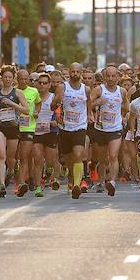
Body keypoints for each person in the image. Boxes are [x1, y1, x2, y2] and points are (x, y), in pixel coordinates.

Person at [53, 63, 91, 199]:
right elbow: (53, 106)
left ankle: (77, 185)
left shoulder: (86, 89)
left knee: (78, 154)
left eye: (77, 72)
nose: (75, 74)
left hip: (80, 126)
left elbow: (89, 106)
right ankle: (71, 174)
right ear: (69, 72)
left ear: (81, 72)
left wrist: (90, 116)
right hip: (65, 127)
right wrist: (57, 101)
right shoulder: (62, 87)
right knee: (68, 159)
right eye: (73, 71)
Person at [90, 65, 129, 197]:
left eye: (114, 76)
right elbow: (87, 104)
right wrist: (97, 102)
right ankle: (101, 181)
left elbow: (126, 107)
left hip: (116, 128)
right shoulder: (99, 89)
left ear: (118, 77)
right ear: (104, 77)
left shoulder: (122, 91)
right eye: (108, 76)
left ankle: (112, 181)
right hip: (101, 128)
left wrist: (123, 117)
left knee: (113, 155)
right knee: (103, 159)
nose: (111, 78)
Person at [0, 66, 28, 198]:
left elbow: (26, 110)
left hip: (13, 127)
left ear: (13, 79)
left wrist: (12, 104)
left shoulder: (18, 93)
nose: (7, 79)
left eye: (10, 77)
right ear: (1, 78)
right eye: (5, 77)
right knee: (1, 155)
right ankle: (1, 185)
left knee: (11, 158)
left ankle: (10, 171)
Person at [15, 69, 41, 197]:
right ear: (17, 79)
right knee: (14, 158)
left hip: (28, 127)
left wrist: (36, 112)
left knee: (24, 156)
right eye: (21, 79)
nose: (24, 81)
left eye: (27, 79)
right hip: (13, 127)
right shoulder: (13, 91)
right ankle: (20, 179)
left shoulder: (34, 91)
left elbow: (38, 103)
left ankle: (22, 183)